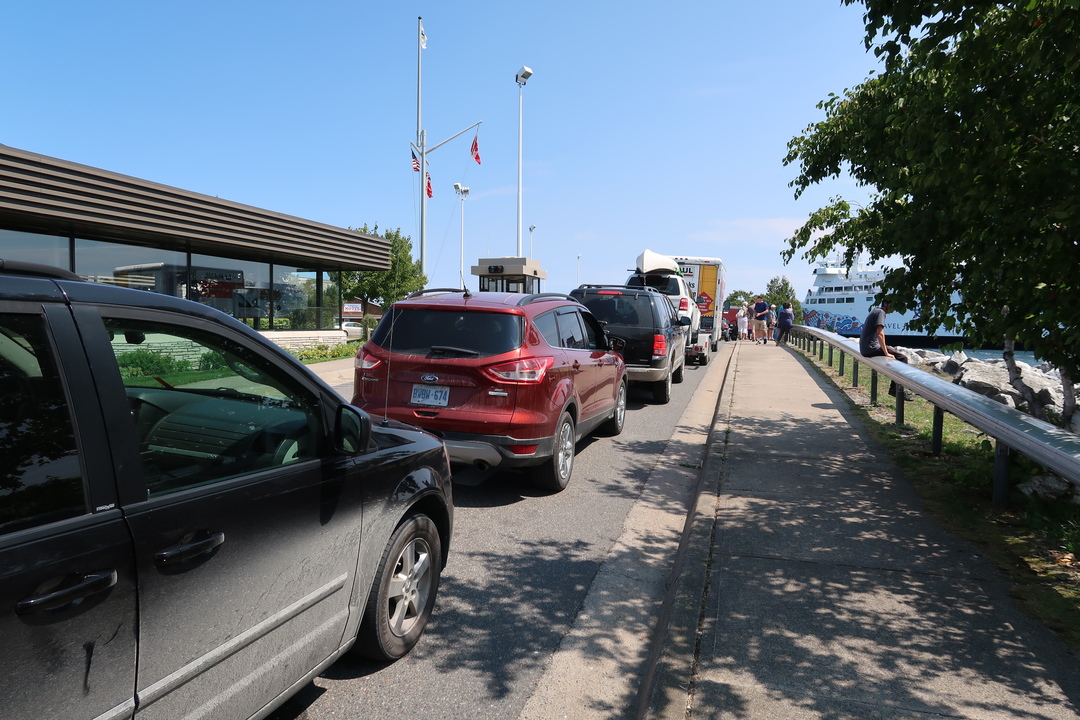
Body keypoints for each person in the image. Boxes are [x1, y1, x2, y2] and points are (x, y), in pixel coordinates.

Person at [859, 298, 913, 400]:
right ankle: (895, 389)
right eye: (893, 305)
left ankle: (896, 388)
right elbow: (880, 334)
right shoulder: (881, 313)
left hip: (866, 348)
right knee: (902, 358)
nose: (894, 308)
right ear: (885, 303)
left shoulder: (875, 311)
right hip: (871, 347)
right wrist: (886, 352)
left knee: (895, 354)